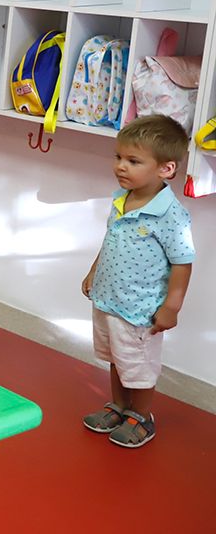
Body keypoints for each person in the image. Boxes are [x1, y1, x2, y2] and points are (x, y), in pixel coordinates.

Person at [81, 114, 193, 448]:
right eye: (118, 157)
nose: (121, 166)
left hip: (140, 308)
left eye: (133, 161)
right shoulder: (121, 199)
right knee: (117, 358)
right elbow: (110, 240)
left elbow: (183, 263)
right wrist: (93, 271)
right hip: (109, 298)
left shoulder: (171, 216)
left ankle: (141, 417)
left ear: (165, 169)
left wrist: (171, 307)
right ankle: (118, 406)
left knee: (140, 368)